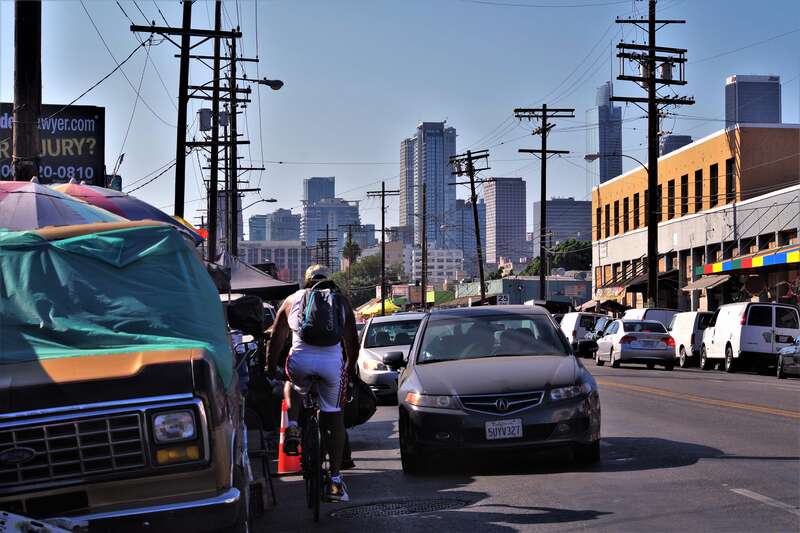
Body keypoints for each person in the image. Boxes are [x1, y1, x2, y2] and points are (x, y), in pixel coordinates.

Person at [267, 265, 359, 502]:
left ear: (306, 281)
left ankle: (295, 425)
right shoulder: (341, 301)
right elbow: (352, 342)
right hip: (331, 366)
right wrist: (349, 368)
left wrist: (270, 365)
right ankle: (336, 481)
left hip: (300, 363)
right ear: (331, 282)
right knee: (334, 417)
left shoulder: (292, 299)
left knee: (293, 383)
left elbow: (277, 338)